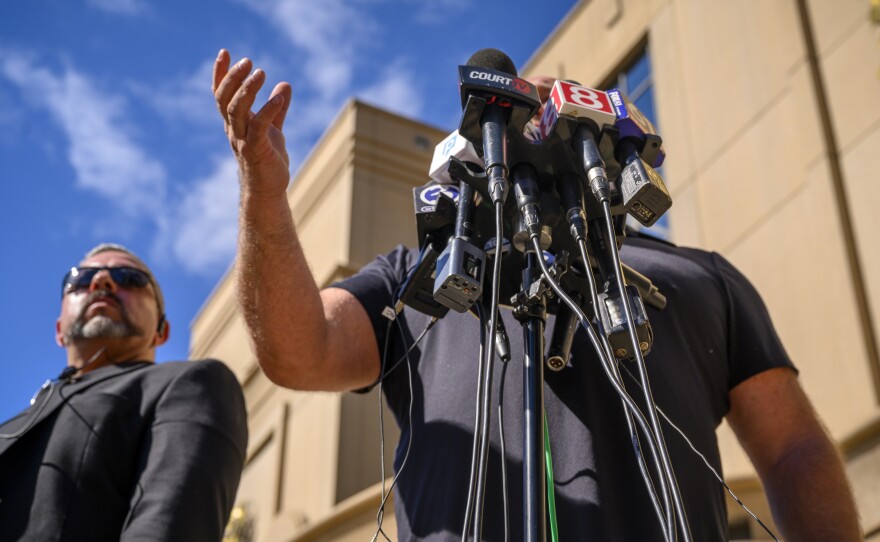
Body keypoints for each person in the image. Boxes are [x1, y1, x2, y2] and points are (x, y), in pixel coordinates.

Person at [212, 49, 862, 540]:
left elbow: (792, 448)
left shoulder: (701, 275)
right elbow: (299, 352)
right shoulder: (419, 273)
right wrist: (263, 195)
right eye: (521, 101)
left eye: (557, 98)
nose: (539, 104)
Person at [0, 243, 248, 541]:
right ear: (58, 330)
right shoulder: (14, 425)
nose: (101, 282)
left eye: (128, 278)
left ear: (161, 330)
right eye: (79, 278)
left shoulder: (190, 384)